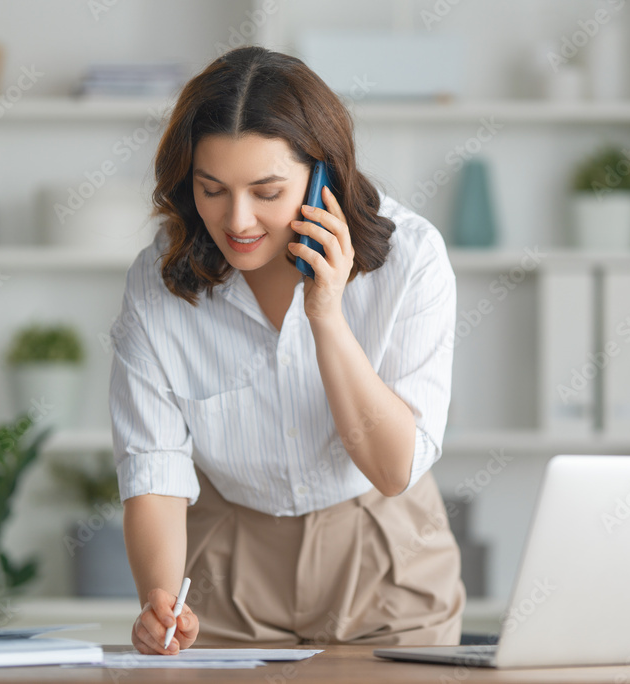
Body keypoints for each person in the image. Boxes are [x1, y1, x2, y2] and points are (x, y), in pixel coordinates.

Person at [109, 45, 463, 653]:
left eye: (267, 192)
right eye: (212, 189)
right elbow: (154, 468)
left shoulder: (411, 261)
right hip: (228, 562)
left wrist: (326, 315)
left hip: (385, 555)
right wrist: (161, 600)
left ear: (323, 176)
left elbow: (391, 467)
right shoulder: (157, 283)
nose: (238, 220)